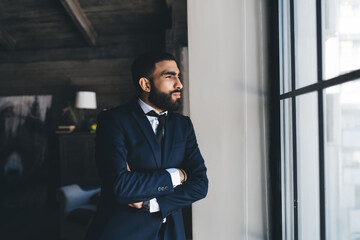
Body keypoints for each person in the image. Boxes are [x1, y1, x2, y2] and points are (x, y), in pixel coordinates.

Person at [85, 52, 208, 240]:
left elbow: (200, 185)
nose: (179, 84)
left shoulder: (184, 125)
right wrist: (178, 174)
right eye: (169, 76)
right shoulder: (113, 121)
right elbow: (121, 186)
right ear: (146, 84)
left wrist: (152, 204)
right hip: (123, 233)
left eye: (178, 75)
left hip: (172, 233)